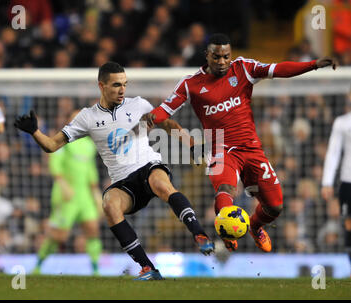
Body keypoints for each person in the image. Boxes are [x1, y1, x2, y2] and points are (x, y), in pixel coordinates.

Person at [14, 61, 214, 280]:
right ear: (102, 86)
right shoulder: (87, 117)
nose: (122, 90)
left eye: (125, 84)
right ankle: (149, 268)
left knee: (161, 184)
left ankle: (199, 234)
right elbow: (52, 146)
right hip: (123, 182)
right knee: (109, 204)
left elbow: (168, 125)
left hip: (148, 166)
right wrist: (34, 131)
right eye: (116, 85)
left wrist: (192, 144)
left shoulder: (139, 105)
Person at [141, 33, 337, 253]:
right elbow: (165, 110)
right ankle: (226, 231)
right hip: (219, 147)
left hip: (251, 148)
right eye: (216, 57)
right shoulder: (191, 84)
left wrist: (313, 65)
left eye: (226, 56)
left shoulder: (243, 68)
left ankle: (255, 226)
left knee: (275, 206)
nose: (222, 62)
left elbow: (278, 70)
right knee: (225, 189)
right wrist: (149, 118)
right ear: (207, 55)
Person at [32, 110, 103, 276]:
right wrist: (62, 184)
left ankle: (95, 270)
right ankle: (38, 265)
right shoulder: (63, 139)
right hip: (67, 195)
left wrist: (96, 194)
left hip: (84, 195)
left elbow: (90, 171)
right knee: (59, 236)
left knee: (92, 229)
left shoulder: (89, 145)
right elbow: (54, 162)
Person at [321, 93, 351, 269]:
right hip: (348, 182)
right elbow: (333, 153)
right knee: (349, 224)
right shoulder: (342, 122)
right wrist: (327, 182)